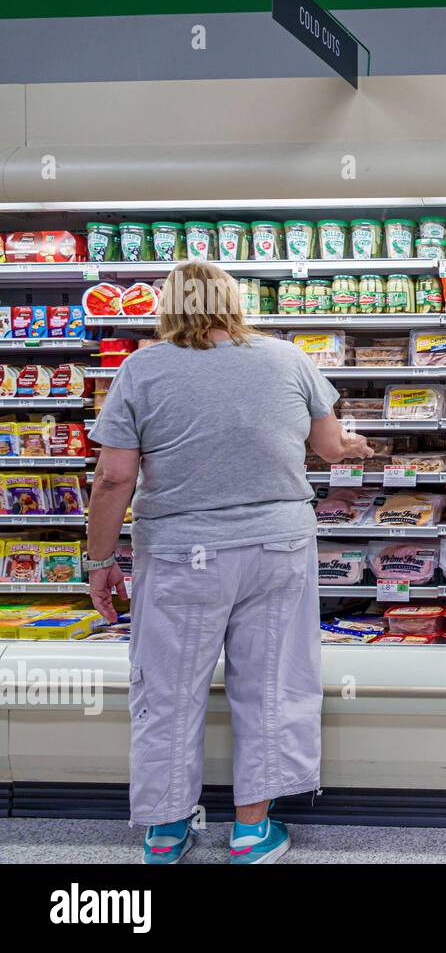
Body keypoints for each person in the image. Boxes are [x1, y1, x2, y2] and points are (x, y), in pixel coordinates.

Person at [86, 260, 373, 864]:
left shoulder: (140, 369)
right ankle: (250, 832)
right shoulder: (288, 358)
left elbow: (114, 477)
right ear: (234, 302)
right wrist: (355, 445)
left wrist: (100, 559)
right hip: (277, 546)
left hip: (180, 554)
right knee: (271, 684)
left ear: (168, 305)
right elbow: (328, 448)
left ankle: (165, 831)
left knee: (168, 689)